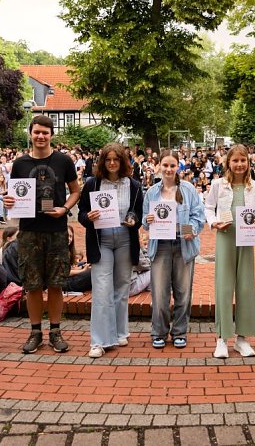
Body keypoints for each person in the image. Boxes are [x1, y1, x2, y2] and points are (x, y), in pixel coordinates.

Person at [5, 115, 81, 354]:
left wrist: (65, 209)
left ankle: (56, 331)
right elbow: (14, 196)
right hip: (28, 231)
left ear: (51, 135)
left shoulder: (63, 160)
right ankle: (35, 332)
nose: (40, 136)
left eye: (45, 133)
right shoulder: (19, 164)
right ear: (30, 133)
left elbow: (75, 191)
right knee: (32, 285)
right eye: (37, 132)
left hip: (57, 230)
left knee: (57, 284)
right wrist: (9, 201)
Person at [78, 143, 144, 358]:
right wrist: (88, 218)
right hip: (101, 240)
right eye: (108, 159)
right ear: (102, 162)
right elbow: (81, 212)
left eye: (116, 159)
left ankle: (119, 331)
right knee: (101, 288)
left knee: (122, 287)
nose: (112, 163)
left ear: (123, 161)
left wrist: (134, 220)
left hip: (125, 238)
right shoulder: (92, 184)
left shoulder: (133, 185)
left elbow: (138, 213)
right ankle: (99, 340)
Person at [205, 144, 255, 359]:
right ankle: (222, 338)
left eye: (243, 160)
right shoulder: (218, 184)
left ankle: (242, 338)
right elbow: (208, 208)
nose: (239, 164)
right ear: (228, 163)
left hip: (246, 240)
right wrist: (214, 223)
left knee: (245, 286)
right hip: (225, 237)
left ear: (248, 163)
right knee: (223, 287)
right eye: (235, 160)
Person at [142, 150, 206, 349]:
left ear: (178, 166)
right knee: (160, 293)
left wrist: (189, 231)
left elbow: (198, 216)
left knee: (183, 292)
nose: (169, 169)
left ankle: (179, 331)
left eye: (172, 165)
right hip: (160, 245)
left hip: (183, 244)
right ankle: (159, 331)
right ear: (159, 166)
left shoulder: (188, 189)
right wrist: (148, 220)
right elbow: (145, 222)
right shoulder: (152, 192)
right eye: (165, 165)